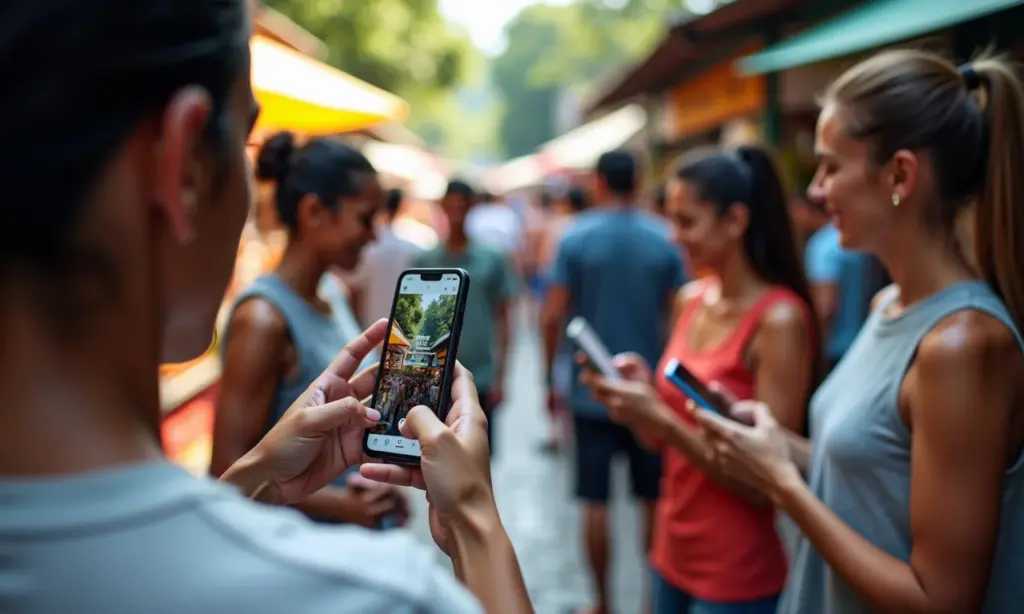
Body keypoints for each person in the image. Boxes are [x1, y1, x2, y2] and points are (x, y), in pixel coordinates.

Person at [0, 3, 532, 612]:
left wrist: (255, 476)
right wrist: (472, 522)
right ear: (183, 167)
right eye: (245, 141)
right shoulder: (374, 594)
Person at [694, 50, 1024, 614]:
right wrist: (779, 448)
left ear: (900, 174)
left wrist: (781, 486)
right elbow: (874, 471)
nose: (817, 191)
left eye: (830, 167)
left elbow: (941, 599)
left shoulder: (961, 344)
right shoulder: (889, 303)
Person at [579, 146, 821, 614]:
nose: (674, 237)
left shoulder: (779, 319)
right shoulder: (691, 298)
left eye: (687, 221)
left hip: (735, 571)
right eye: (670, 219)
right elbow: (657, 441)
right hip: (671, 552)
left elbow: (765, 480)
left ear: (735, 220)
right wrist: (641, 400)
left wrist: (664, 422)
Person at [212, 131, 406, 528]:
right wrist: (342, 506)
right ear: (314, 212)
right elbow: (228, 474)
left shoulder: (332, 292)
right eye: (365, 218)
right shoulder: (264, 319)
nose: (374, 235)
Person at [543, 150, 685, 614]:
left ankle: (602, 603)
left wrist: (552, 378)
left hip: (592, 394)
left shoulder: (576, 237)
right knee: (652, 500)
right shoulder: (665, 238)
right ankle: (649, 602)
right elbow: (681, 314)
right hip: (648, 395)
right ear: (639, 178)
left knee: (595, 502)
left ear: (599, 181)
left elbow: (553, 313)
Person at [414, 180, 519, 458]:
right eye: (452, 203)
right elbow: (415, 320)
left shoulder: (493, 258)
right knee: (434, 453)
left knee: (478, 454)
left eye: (463, 203)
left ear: (473, 206)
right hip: (435, 376)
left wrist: (501, 375)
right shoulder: (425, 259)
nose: (457, 209)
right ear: (443, 206)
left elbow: (506, 316)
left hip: (480, 375)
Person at [342, 187, 423, 328]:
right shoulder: (414, 247)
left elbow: (354, 292)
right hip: (402, 332)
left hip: (368, 332)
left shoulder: (366, 248)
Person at [804, 220, 875, 371]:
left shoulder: (823, 245)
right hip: (860, 343)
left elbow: (825, 307)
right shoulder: (858, 241)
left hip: (832, 349)